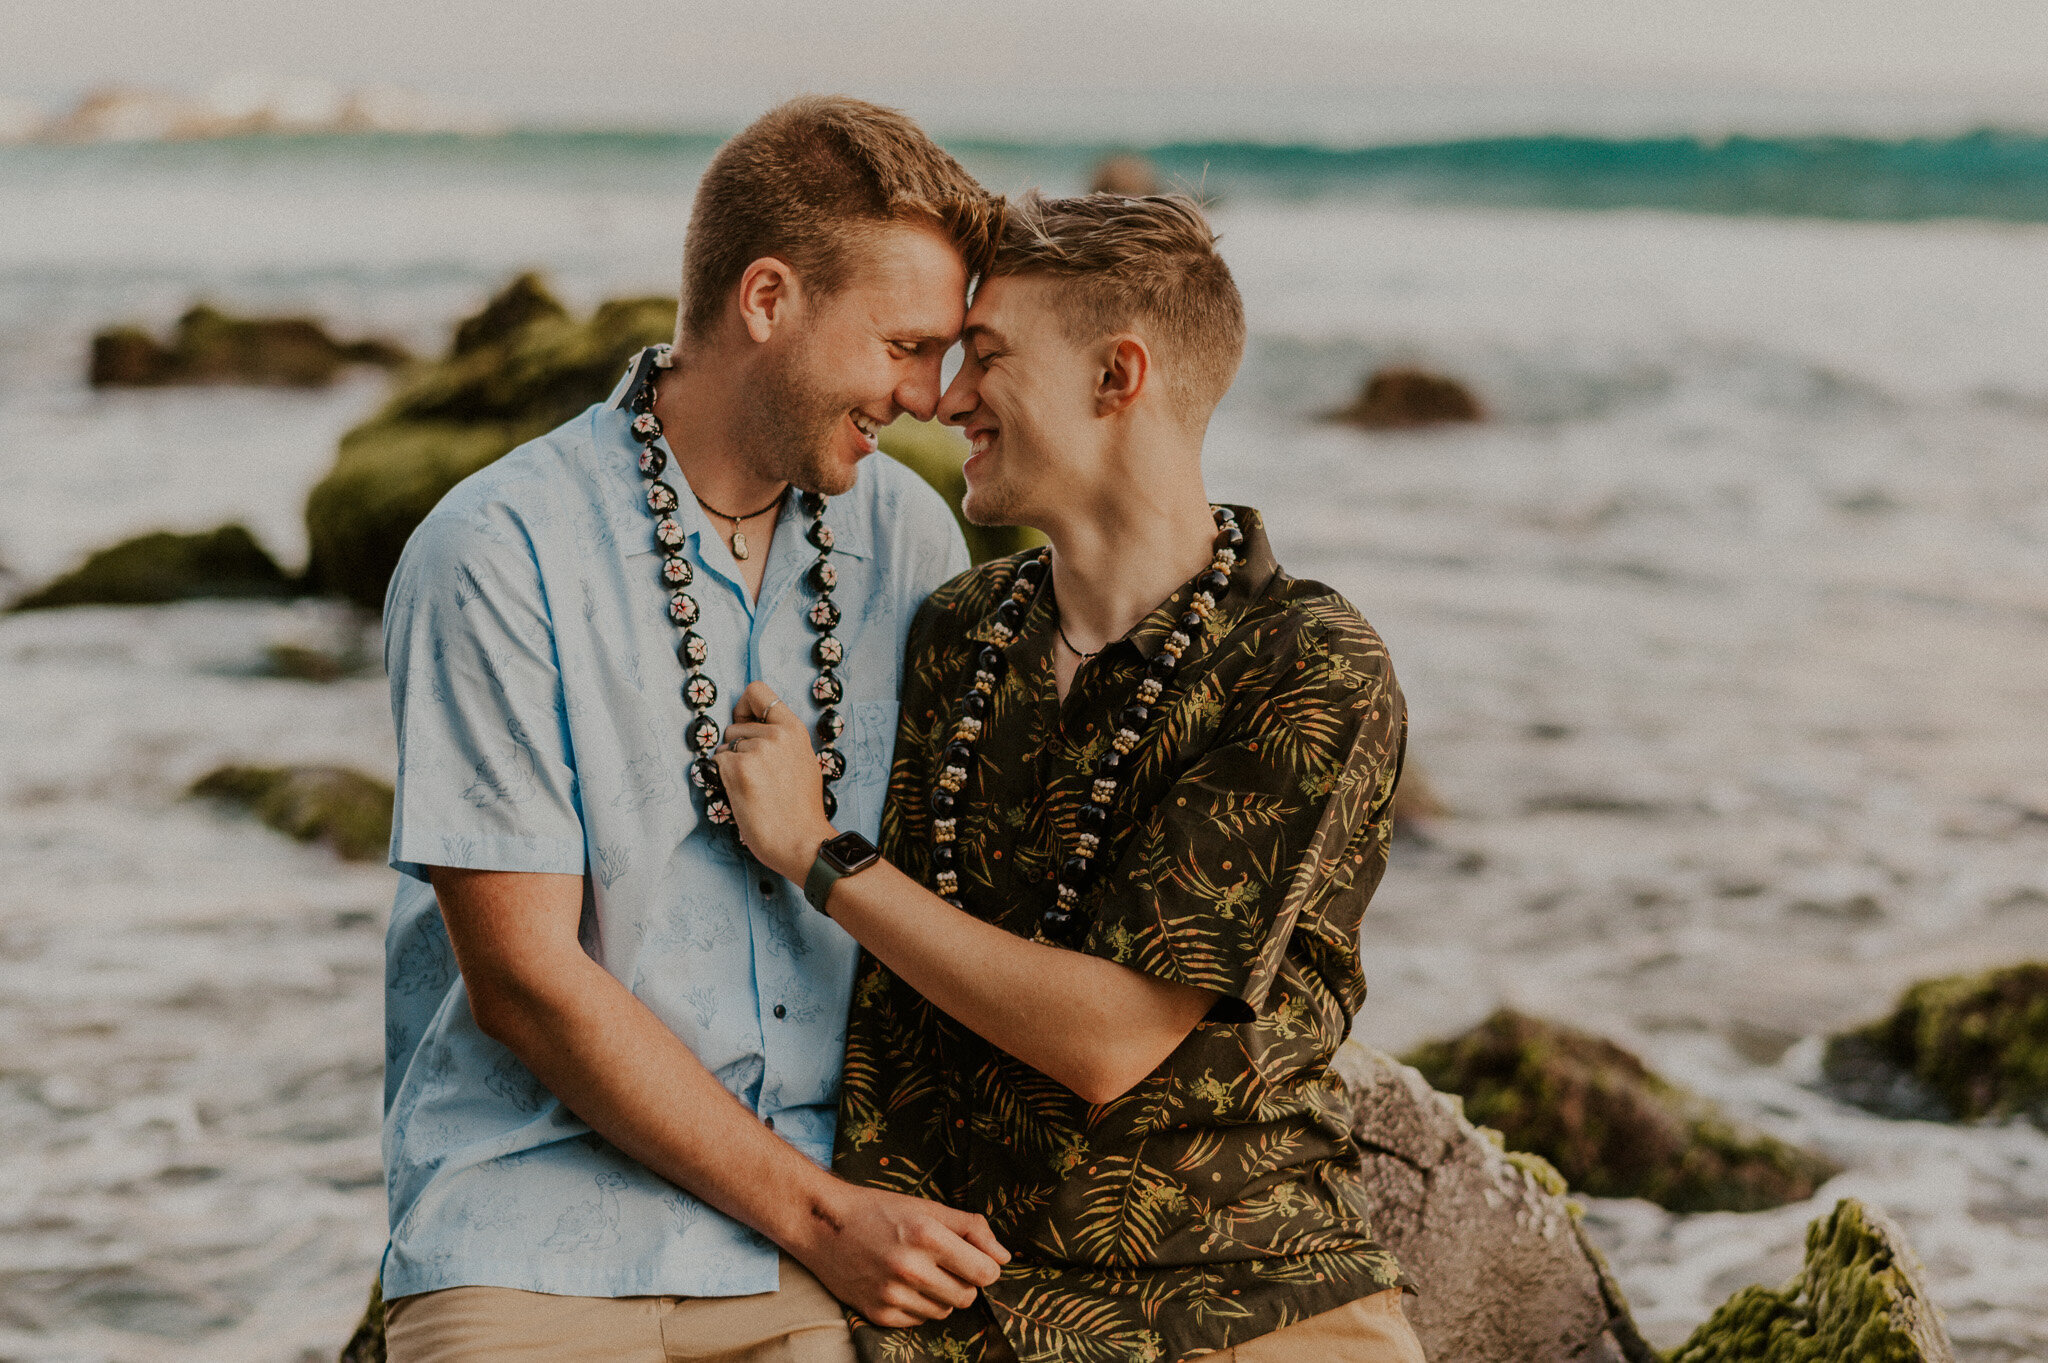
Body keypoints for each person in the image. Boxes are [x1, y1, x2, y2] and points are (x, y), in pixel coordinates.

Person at [715, 192, 1425, 1362]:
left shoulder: (1303, 662)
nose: (943, 400)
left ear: (1116, 377)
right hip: (952, 1300)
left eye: (984, 357)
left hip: (1240, 1297)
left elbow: (1108, 1038)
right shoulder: (954, 633)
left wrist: (818, 854)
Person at [377, 97, 1015, 1363]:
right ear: (765, 299)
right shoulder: (498, 551)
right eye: (901, 343)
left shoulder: (910, 541)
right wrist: (825, 1216)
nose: (930, 395)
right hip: (532, 1223)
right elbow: (523, 981)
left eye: (943, 355)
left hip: (816, 1244)